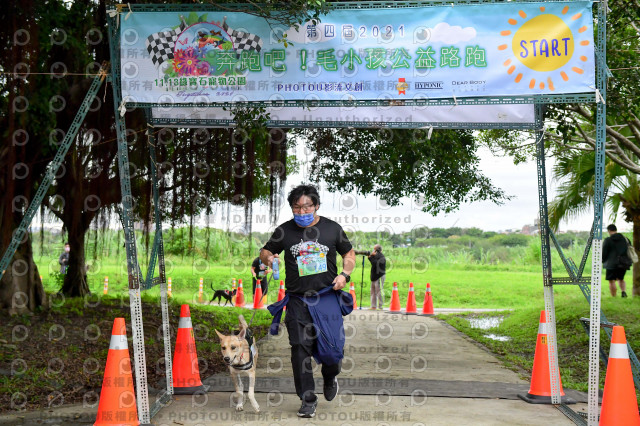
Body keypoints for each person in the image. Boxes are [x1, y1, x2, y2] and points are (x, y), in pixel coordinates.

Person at [260, 184, 356, 418]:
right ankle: (307, 398)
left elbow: (349, 254)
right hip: (297, 300)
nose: (302, 212)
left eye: (307, 207)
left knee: (333, 351)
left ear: (316, 206)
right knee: (300, 349)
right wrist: (271, 258)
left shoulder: (332, 229)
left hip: (327, 298)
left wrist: (344, 275)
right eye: (297, 207)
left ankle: (330, 374)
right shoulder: (284, 231)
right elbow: (264, 251)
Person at [602, 224, 631, 297]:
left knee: (611, 280)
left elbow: (604, 252)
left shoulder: (608, 240)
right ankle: (623, 292)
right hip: (623, 263)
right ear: (616, 230)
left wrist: (603, 260)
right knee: (621, 279)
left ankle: (614, 296)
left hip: (611, 264)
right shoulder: (625, 239)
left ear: (609, 230)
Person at [368, 244, 386, 310]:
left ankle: (381, 306)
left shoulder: (381, 257)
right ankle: (373, 306)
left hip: (379, 276)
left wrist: (370, 257)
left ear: (376, 250)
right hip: (374, 276)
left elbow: (375, 263)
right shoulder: (376, 256)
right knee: (372, 291)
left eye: (374, 249)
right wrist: (371, 257)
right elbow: (373, 262)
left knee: (379, 291)